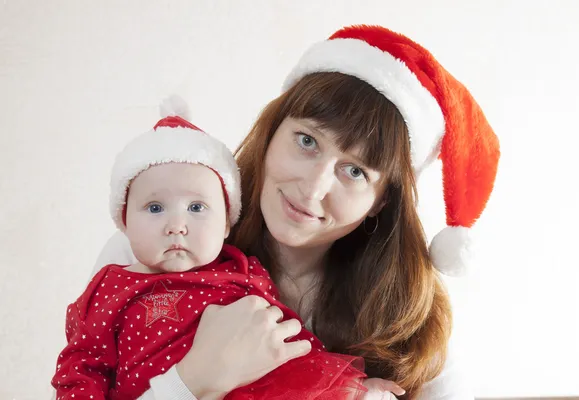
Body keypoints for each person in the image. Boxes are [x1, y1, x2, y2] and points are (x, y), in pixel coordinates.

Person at [81, 25, 500, 400]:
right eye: (307, 141)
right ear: (272, 131)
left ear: (382, 201)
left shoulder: (410, 313)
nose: (313, 187)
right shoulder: (150, 248)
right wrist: (191, 382)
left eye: (354, 171)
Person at [51, 103, 369, 399]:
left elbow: (288, 340)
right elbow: (81, 368)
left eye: (196, 207)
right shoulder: (109, 287)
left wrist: (351, 387)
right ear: (124, 220)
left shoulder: (240, 270)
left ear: (226, 223)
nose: (177, 225)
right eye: (155, 207)